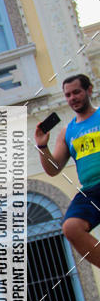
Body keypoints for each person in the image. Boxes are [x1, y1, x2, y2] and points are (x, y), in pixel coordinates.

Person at [35, 74, 100, 269]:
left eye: (77, 92)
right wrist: (42, 147)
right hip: (90, 190)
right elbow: (53, 170)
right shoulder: (67, 131)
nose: (72, 98)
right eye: (68, 95)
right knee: (71, 227)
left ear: (89, 90)